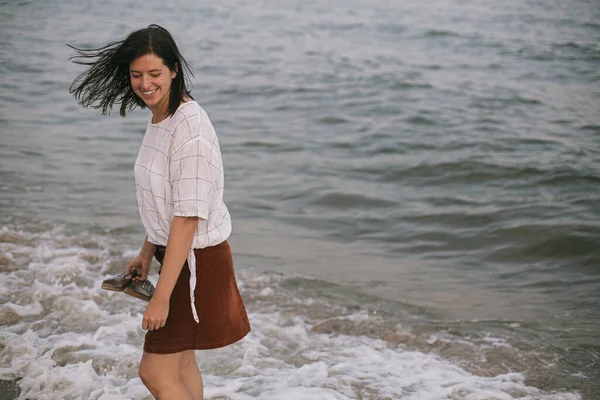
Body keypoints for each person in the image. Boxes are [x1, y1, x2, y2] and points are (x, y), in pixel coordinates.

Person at [69, 24, 251, 400]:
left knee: (154, 371)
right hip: (177, 258)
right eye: (136, 75)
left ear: (173, 70)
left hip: (195, 262)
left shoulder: (191, 129)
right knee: (181, 364)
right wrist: (146, 251)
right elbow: (164, 201)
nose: (144, 83)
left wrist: (162, 297)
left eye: (154, 73)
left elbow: (187, 217)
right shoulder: (162, 117)